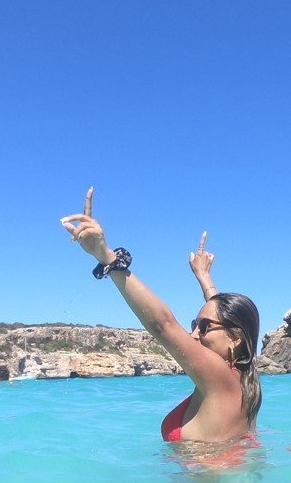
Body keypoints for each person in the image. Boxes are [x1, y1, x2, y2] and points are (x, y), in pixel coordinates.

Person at [61, 188, 261, 443]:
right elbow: (221, 314)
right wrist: (204, 277)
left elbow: (163, 325)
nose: (193, 334)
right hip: (225, 480)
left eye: (204, 327)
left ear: (236, 339)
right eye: (194, 325)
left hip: (209, 482)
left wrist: (107, 257)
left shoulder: (221, 380)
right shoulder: (246, 382)